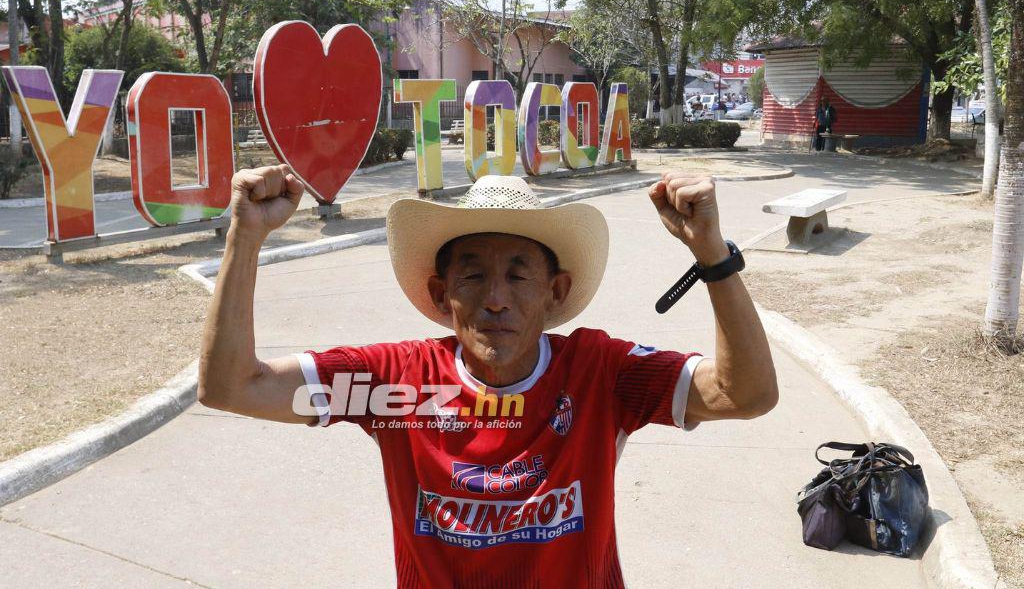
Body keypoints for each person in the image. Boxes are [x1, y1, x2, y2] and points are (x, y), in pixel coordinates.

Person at [199, 167, 778, 588]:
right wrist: (244, 237)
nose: (496, 300)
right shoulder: (392, 382)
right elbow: (231, 386)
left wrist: (712, 255)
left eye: (519, 275)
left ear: (555, 293)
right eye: (472, 275)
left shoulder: (601, 373)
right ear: (440, 294)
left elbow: (746, 394)